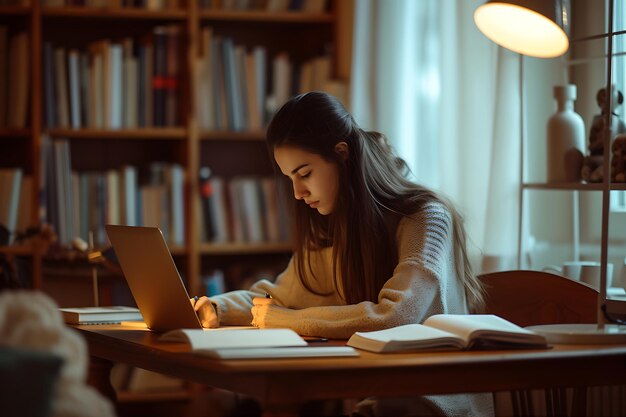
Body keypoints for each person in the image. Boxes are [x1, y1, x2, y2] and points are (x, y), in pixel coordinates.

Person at [192, 91, 493, 417]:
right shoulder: (336, 227)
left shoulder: (426, 218)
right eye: (290, 178)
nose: (297, 193)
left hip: (435, 403)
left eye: (304, 173)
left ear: (341, 154)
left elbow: (395, 315)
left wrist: (286, 322)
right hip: (376, 399)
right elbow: (277, 298)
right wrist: (214, 308)